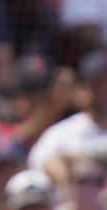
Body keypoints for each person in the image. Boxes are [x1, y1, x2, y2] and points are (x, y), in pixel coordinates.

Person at [28, 50, 107, 194]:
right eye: (97, 83)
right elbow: (38, 161)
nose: (103, 90)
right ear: (83, 87)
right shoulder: (63, 131)